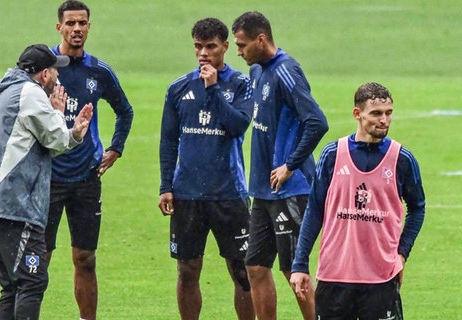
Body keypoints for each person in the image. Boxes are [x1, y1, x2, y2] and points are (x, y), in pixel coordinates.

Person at [0, 43, 93, 320]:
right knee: (32, 281)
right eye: (54, 71)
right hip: (16, 203)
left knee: (12, 285)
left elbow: (23, 138)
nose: (58, 78)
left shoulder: (0, 93)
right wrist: (66, 122)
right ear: (43, 74)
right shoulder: (31, 93)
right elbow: (57, 139)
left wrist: (60, 123)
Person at [290, 82, 426, 319]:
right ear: (357, 114)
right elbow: (314, 210)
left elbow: (418, 209)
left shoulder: (402, 159)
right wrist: (300, 264)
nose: (384, 120)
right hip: (335, 276)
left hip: (381, 277)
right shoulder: (332, 155)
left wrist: (401, 253)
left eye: (388, 113)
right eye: (376, 113)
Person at [231, 11, 329, 320]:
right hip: (263, 190)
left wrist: (290, 165)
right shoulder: (257, 71)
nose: (238, 51)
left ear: (261, 40)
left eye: (242, 45)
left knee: (294, 271)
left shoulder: (286, 71)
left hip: (291, 189)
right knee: (256, 267)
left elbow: (317, 122)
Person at [158, 18, 255, 320]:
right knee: (187, 269)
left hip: (229, 193)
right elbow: (168, 141)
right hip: (187, 193)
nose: (203, 53)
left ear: (225, 47)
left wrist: (213, 90)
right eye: (198, 47)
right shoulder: (178, 88)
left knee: (241, 270)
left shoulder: (240, 85)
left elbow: (238, 126)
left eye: (210, 47)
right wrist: (165, 186)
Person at [44, 1, 134, 319]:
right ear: (60, 28)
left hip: (86, 178)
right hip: (49, 178)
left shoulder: (99, 71)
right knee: (40, 255)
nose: (77, 29)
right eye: (70, 23)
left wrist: (116, 148)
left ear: (89, 26)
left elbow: (125, 110)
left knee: (85, 258)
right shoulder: (44, 69)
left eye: (82, 23)